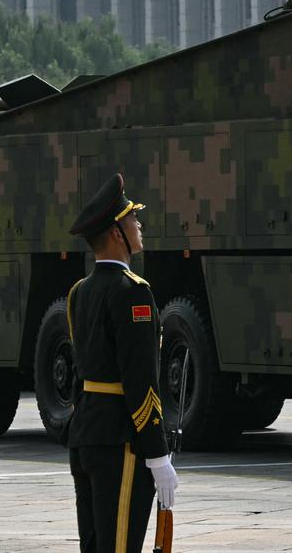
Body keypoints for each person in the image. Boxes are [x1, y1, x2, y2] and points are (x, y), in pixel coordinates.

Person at [66, 173, 178, 553]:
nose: (139, 224)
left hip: (85, 437)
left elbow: (82, 374)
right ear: (117, 233)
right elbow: (140, 380)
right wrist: (158, 454)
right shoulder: (133, 293)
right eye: (132, 218)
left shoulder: (79, 292)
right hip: (120, 443)